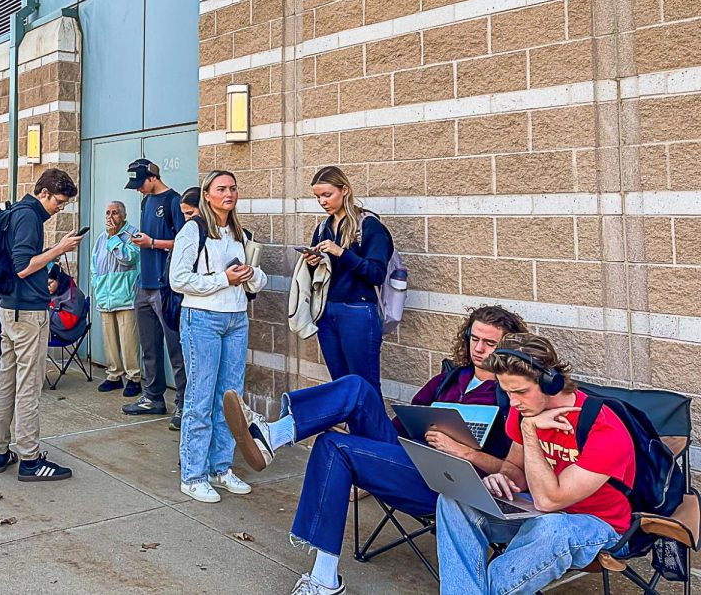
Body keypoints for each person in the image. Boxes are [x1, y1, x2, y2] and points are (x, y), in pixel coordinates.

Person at [224, 305, 529, 595]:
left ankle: (323, 579)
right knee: (354, 391)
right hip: (406, 460)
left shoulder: (511, 396)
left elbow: (512, 474)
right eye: (474, 339)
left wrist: (461, 451)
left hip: (447, 486)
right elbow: (399, 427)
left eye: (489, 343)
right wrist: (352, 430)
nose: (478, 348)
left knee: (334, 448)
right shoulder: (449, 378)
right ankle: (276, 434)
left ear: (507, 348)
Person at [435, 333, 636, 595]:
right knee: (454, 500)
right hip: (539, 514)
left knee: (551, 527)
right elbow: (515, 471)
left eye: (520, 392)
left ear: (551, 383)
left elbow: (549, 501)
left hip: (599, 525)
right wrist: (502, 479)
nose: (514, 402)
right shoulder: (523, 412)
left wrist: (529, 432)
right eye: (507, 393)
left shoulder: (603, 429)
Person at [168, 170, 265, 504]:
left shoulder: (241, 233)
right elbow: (178, 279)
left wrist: (251, 275)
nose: (229, 194)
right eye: (221, 189)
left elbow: (258, 280)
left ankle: (220, 468)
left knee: (230, 398)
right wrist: (222, 278)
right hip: (202, 319)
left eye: (233, 188)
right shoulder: (193, 230)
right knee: (200, 396)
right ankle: (193, 474)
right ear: (207, 195)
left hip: (236, 319)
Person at [0, 168, 83, 481]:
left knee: (6, 381)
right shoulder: (29, 217)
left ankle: (1, 452)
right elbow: (22, 267)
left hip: (10, 309)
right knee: (28, 386)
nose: (61, 207)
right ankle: (30, 459)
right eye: (59, 201)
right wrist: (58, 249)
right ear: (43, 193)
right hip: (27, 312)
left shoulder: (18, 212)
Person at [305, 165, 393, 394]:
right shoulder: (323, 227)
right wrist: (313, 263)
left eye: (327, 194)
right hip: (327, 312)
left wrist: (341, 253)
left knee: (365, 386)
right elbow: (324, 275)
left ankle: (373, 431)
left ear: (344, 190)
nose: (322, 201)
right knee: (342, 388)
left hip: (358, 310)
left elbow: (376, 273)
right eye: (317, 197)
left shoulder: (369, 225)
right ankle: (355, 430)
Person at [123, 159, 188, 429]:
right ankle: (152, 397)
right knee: (149, 346)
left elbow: (185, 241)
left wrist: (152, 243)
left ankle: (184, 404)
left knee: (176, 348)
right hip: (144, 282)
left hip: (166, 287)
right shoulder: (145, 202)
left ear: (152, 177)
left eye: (140, 183)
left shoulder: (174, 201)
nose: (138, 189)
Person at [91, 200, 141, 397]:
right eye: (107, 213)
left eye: (115, 213)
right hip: (105, 296)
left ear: (124, 215)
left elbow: (128, 258)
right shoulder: (101, 238)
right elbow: (95, 264)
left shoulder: (133, 235)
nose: (110, 217)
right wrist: (96, 285)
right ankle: (114, 375)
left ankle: (134, 378)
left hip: (126, 296)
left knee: (129, 340)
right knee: (109, 340)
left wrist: (114, 239)